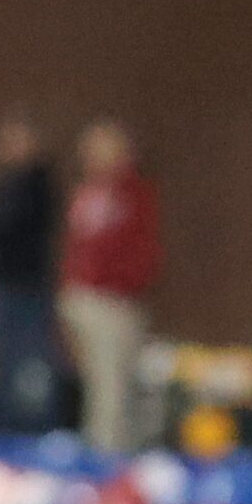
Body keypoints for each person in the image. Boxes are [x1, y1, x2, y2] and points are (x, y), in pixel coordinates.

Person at [60, 118, 163, 456]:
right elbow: (78, 246)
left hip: (118, 299)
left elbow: (143, 248)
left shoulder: (133, 194)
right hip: (86, 298)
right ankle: (103, 459)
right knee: (102, 386)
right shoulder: (88, 192)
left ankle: (115, 457)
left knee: (118, 387)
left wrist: (130, 285)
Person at [0, 113, 62, 435]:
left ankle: (37, 425)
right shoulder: (5, 184)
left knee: (32, 360)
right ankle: (5, 422)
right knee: (5, 358)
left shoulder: (36, 184)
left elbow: (7, 223)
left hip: (29, 285)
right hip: (6, 283)